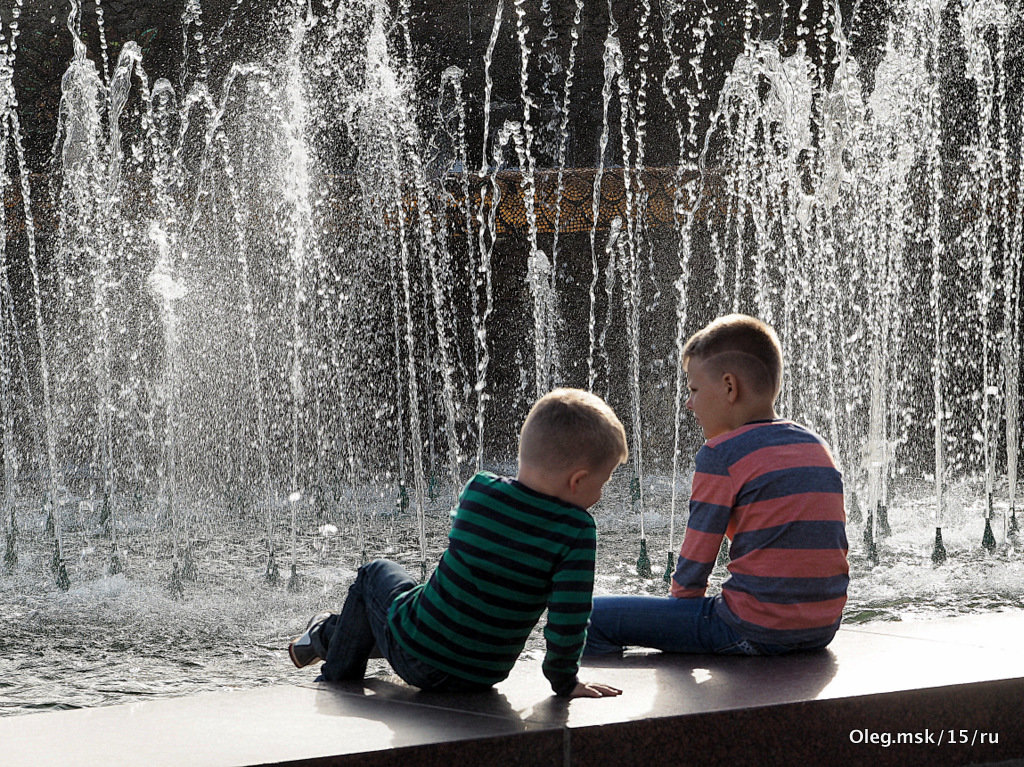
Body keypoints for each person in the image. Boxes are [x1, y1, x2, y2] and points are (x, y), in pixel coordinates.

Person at [290, 388, 628, 698]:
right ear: (578, 480)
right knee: (413, 604)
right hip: (481, 674)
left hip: (415, 654)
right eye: (604, 482)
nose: (600, 494)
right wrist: (565, 681)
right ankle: (320, 639)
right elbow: (569, 617)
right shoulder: (577, 531)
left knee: (375, 573)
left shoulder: (480, 489)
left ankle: (333, 672)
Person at [585, 314, 848, 657]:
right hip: (821, 629)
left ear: (729, 387)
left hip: (751, 629)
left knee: (586, 619)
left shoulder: (722, 454)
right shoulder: (816, 446)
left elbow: (696, 562)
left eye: (694, 390)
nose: (688, 403)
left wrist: (679, 616)